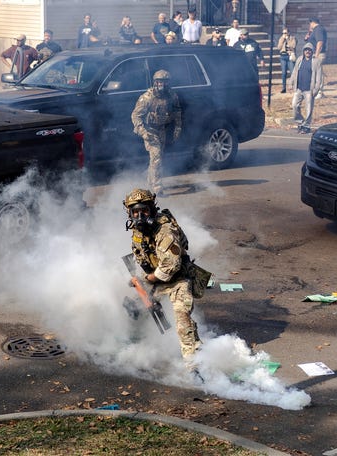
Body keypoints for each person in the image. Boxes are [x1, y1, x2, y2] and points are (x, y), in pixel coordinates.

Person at [123, 188, 202, 370]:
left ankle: (195, 367)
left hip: (178, 280)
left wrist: (147, 279)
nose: (140, 216)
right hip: (157, 280)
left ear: (152, 209)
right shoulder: (137, 230)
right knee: (135, 308)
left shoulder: (165, 231)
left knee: (183, 322)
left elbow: (170, 266)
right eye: (136, 212)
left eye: (145, 211)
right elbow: (142, 256)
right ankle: (139, 345)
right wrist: (138, 281)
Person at [131, 70, 181, 196]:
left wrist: (177, 128)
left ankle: (149, 182)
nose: (162, 85)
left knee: (156, 158)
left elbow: (177, 112)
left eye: (165, 82)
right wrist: (143, 132)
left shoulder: (172, 96)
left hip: (161, 130)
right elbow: (136, 116)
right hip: (149, 130)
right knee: (157, 156)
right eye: (159, 82)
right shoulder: (146, 98)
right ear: (155, 82)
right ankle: (157, 187)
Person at [288, 42, 323, 133]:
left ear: (312, 51)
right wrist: (290, 83)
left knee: (309, 109)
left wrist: (315, 90)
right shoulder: (299, 59)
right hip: (299, 88)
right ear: (303, 51)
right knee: (294, 105)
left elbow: (319, 78)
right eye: (306, 50)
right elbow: (294, 72)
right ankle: (301, 122)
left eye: (309, 50)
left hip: (309, 90)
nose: (307, 51)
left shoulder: (316, 62)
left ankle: (306, 126)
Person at [305, 17, 327, 98]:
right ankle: (316, 91)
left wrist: (317, 54)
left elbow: (320, 42)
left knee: (318, 73)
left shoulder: (318, 29)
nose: (309, 25)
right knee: (315, 73)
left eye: (310, 23)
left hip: (318, 54)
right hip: (314, 53)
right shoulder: (315, 30)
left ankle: (320, 92)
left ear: (312, 22)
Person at [277, 28, 297, 93]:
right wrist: (283, 39)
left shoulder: (292, 38)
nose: (284, 34)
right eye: (283, 33)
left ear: (288, 33)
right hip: (283, 56)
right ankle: (284, 88)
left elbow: (293, 46)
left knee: (292, 72)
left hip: (290, 56)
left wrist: (287, 40)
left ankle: (294, 86)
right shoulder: (281, 38)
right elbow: (279, 47)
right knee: (283, 73)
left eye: (285, 33)